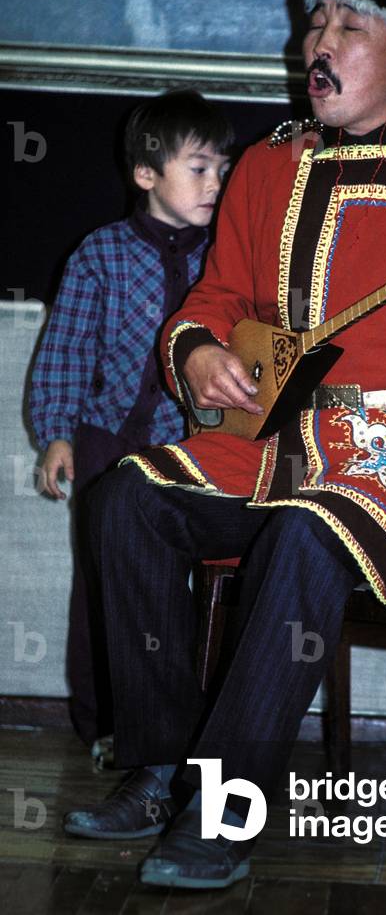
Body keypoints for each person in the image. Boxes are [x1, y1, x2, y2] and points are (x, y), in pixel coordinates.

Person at [62, 0, 386, 891]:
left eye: (346, 29)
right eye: (313, 25)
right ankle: (159, 765)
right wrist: (196, 356)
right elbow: (211, 301)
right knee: (125, 500)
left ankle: (224, 809)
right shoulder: (265, 167)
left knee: (303, 529)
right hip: (270, 445)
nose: (317, 46)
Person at [29, 90, 233, 744]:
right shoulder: (101, 253)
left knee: (167, 590)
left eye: (221, 169)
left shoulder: (224, 258)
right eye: (198, 168)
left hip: (188, 452)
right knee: (102, 590)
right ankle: (103, 725)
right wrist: (57, 432)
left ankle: (172, 725)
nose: (215, 182)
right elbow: (65, 349)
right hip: (103, 442)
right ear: (146, 174)